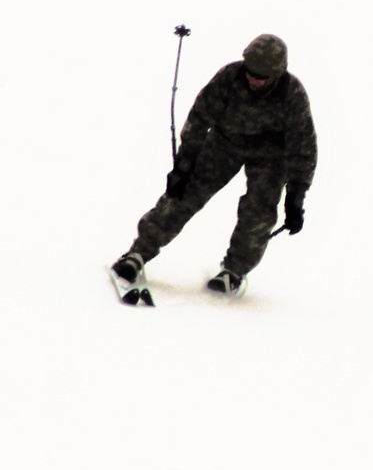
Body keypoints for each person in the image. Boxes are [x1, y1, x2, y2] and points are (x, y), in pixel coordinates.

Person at [112, 34, 317, 293]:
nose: (254, 78)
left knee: (258, 211)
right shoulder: (230, 77)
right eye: (251, 72)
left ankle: (234, 271)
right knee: (184, 194)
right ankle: (138, 254)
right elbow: (199, 118)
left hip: (270, 156)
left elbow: (304, 146)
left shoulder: (292, 94)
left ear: (277, 73)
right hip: (224, 143)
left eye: (262, 76)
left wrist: (296, 196)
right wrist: (184, 164)